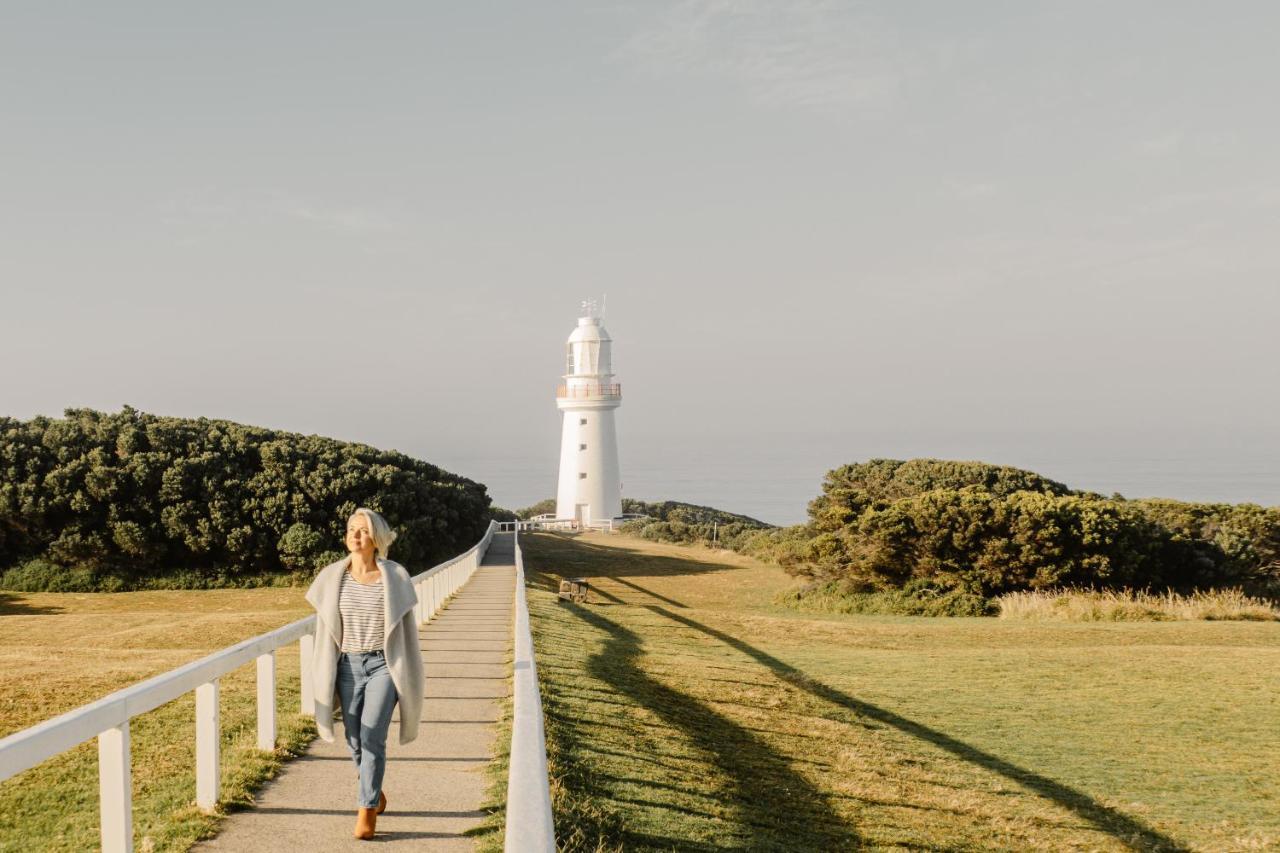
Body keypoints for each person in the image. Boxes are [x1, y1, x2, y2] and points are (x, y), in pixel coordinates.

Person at [305, 508, 425, 840]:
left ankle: (366, 811)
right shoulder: (333, 578)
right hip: (347, 665)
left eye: (363, 531)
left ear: (376, 539)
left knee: (373, 737)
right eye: (351, 529)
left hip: (383, 666)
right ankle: (374, 790)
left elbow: (405, 634)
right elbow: (326, 630)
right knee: (354, 739)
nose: (355, 535)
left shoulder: (394, 576)